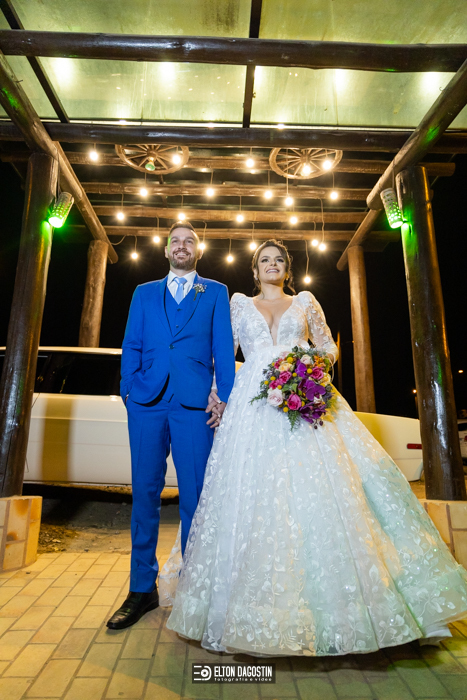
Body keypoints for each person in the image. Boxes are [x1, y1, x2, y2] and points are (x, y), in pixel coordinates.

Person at [166, 239, 467, 656]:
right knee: (253, 491)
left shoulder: (305, 302)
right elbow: (223, 354)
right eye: (264, 260)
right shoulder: (238, 305)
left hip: (303, 399)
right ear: (255, 270)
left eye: (279, 260)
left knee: (321, 489)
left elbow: (328, 347)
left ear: (287, 269)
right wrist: (217, 395)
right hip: (252, 407)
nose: (272, 265)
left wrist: (307, 368)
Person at [106, 221, 235, 630]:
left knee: (195, 496)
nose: (181, 246)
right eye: (175, 241)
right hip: (146, 402)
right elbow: (131, 343)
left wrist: (225, 397)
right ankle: (141, 588)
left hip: (194, 406)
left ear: (199, 250)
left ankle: (194, 591)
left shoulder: (215, 292)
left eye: (189, 241)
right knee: (144, 494)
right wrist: (128, 389)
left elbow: (223, 350)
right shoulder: (143, 293)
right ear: (165, 250)